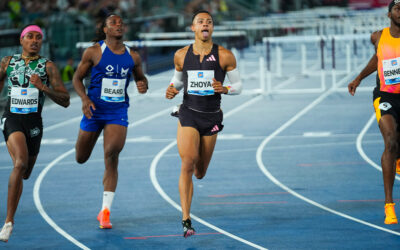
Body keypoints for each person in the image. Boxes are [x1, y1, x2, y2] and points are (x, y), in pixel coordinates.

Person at [165, 10, 242, 237]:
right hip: (188, 112)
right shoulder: (181, 55)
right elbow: (178, 81)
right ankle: (186, 220)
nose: (205, 24)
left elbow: (239, 86)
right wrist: (172, 90)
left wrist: (226, 89)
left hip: (211, 116)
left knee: (200, 172)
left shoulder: (225, 56)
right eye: (200, 21)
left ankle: (195, 183)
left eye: (209, 21)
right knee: (187, 163)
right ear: (193, 28)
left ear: (212, 28)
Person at [72, 14, 148, 229]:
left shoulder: (133, 56)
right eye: (113, 22)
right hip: (94, 110)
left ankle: (105, 211)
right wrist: (85, 99)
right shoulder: (94, 51)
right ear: (104, 29)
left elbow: (141, 77)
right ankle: (85, 144)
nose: (118, 25)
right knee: (80, 157)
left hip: (117, 111)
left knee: (111, 154)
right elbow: (77, 78)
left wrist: (143, 84)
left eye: (121, 22)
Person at [0, 24, 70, 242]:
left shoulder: (48, 67)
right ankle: (8, 222)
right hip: (11, 118)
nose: (34, 40)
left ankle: (10, 217)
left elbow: (66, 100)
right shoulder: (8, 62)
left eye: (39, 37)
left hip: (34, 123)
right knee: (19, 164)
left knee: (26, 172)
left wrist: (43, 87)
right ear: (21, 40)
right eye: (30, 36)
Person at [348, 0, 400, 225]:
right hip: (385, 96)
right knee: (390, 141)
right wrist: (359, 78)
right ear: (389, 14)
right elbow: (377, 58)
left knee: (397, 144)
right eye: (398, 8)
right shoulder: (378, 36)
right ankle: (389, 204)